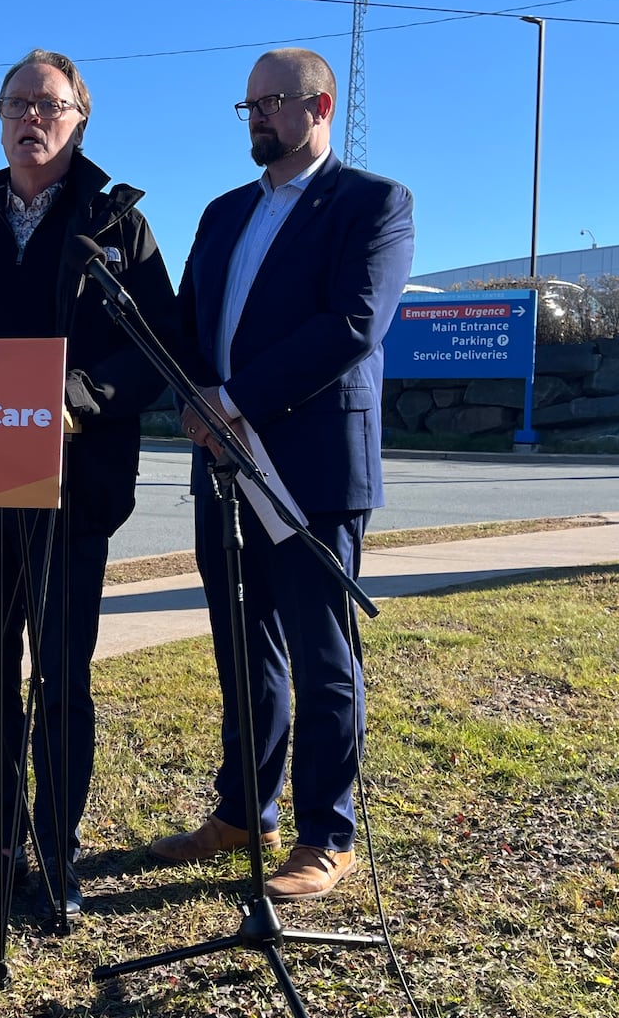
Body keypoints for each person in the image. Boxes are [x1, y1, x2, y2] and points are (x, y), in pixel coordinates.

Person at [0, 49, 177, 918]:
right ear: (1, 116)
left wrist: (78, 398)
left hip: (71, 487)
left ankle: (57, 856)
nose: (31, 118)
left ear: (80, 115)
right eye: (17, 104)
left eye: (49, 105)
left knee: (61, 677)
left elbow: (156, 348)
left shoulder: (116, 221)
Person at [149, 47, 414, 901]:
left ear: (321, 104)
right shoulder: (225, 211)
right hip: (221, 460)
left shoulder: (373, 203)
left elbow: (353, 324)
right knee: (240, 644)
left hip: (310, 466)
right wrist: (193, 397)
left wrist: (234, 400)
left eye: (273, 102)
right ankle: (244, 809)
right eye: (248, 105)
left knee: (321, 652)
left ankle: (325, 835)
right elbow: (186, 319)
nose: (257, 116)